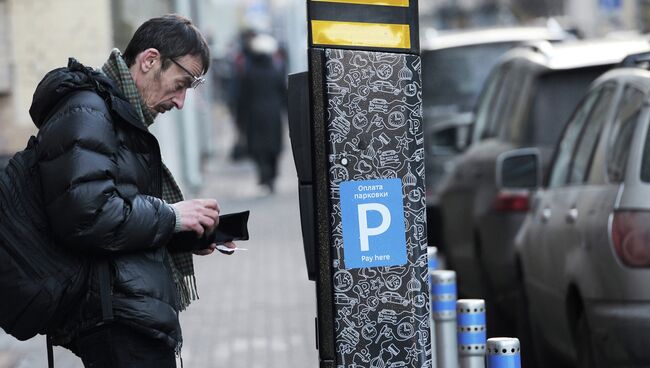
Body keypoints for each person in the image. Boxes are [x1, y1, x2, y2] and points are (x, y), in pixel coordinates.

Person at [28, 14, 235, 367]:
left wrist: (184, 234)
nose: (181, 101)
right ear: (150, 60)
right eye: (181, 83)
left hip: (131, 315)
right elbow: (86, 214)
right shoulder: (89, 111)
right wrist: (171, 216)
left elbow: (120, 212)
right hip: (115, 322)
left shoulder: (117, 116)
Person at [235, 33, 287, 192]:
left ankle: (264, 174)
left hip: (254, 114)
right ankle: (272, 176)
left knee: (258, 147)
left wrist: (239, 117)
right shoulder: (275, 72)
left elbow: (242, 97)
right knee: (274, 146)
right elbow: (284, 93)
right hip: (273, 114)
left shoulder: (248, 74)